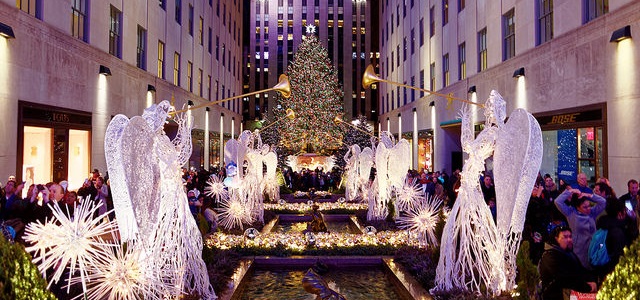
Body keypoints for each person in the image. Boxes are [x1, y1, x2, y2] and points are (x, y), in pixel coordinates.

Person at [538, 226, 597, 299]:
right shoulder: (549, 256)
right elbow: (564, 278)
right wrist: (586, 287)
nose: (569, 240)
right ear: (556, 239)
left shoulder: (569, 253)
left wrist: (592, 280)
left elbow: (580, 270)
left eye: (570, 236)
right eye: (565, 237)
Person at [554, 186, 606, 270]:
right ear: (577, 207)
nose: (588, 208)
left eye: (589, 206)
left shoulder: (592, 212)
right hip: (579, 250)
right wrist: (571, 191)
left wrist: (589, 195)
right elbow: (557, 201)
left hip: (593, 248)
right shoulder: (570, 213)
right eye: (585, 207)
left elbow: (603, 202)